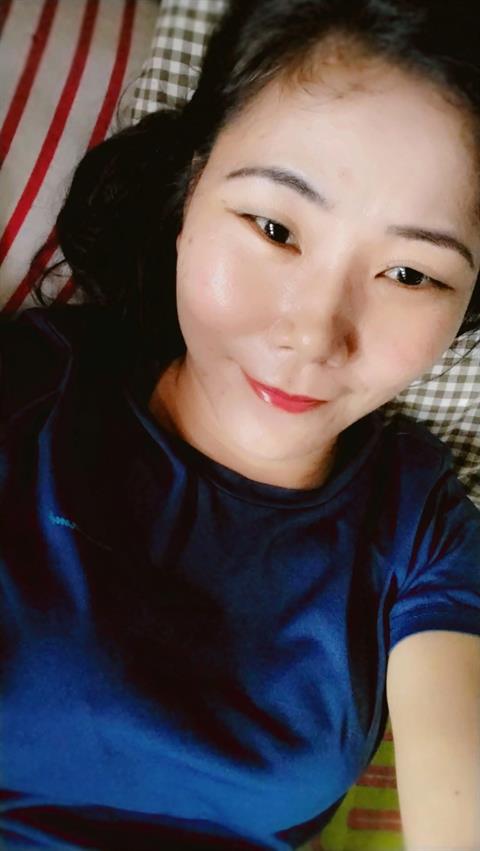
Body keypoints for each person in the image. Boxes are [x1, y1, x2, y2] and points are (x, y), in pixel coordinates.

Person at [1, 0, 479, 849]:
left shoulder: (421, 527)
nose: (314, 335)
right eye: (275, 228)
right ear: (191, 187)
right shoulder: (28, 393)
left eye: (411, 273)